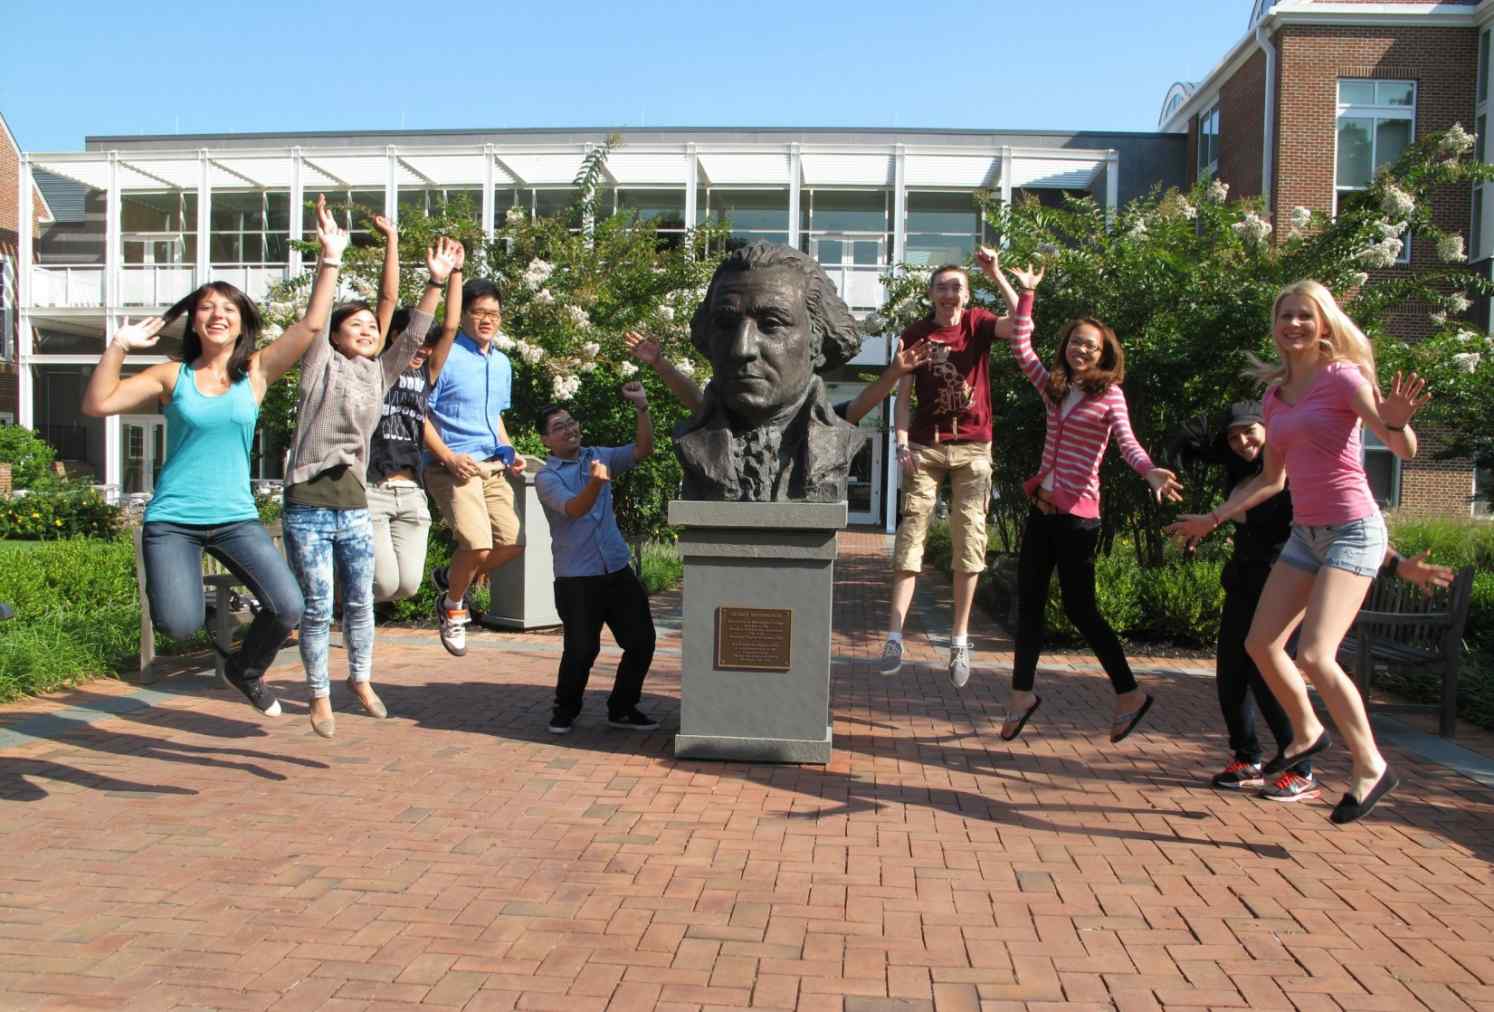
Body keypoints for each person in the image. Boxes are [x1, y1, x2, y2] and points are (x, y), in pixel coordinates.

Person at [78, 199, 359, 716]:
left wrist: (330, 258)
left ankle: (245, 669)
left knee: (288, 605)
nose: (217, 315)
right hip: (173, 521)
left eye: (228, 308)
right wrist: (118, 345)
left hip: (234, 518)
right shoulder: (170, 376)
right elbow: (98, 403)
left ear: (241, 322)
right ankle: (224, 649)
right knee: (180, 623)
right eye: (207, 307)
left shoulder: (254, 373)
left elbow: (311, 327)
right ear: (194, 320)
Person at [1167, 280, 1431, 824]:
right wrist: (1214, 518)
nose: (1294, 325)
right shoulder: (1276, 395)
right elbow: (1271, 478)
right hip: (1305, 535)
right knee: (1261, 643)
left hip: (1354, 530)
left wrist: (1399, 422)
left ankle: (1370, 766)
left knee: (1314, 655)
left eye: (1305, 316)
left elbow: (1402, 446)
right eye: (1285, 316)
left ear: (1325, 324)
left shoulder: (1343, 378)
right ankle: (1308, 732)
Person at [281, 215, 460, 738]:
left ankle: (359, 679)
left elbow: (416, 333)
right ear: (337, 336)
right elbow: (315, 323)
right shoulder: (319, 365)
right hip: (308, 505)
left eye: (370, 327)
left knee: (362, 599)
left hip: (354, 503)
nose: (366, 330)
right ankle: (318, 695)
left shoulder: (380, 373)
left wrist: (434, 281)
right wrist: (330, 259)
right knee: (318, 607)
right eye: (354, 325)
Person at [994, 261, 1183, 743]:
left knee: (1082, 610)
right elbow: (1020, 345)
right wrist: (1026, 292)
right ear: (1067, 347)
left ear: (1104, 355)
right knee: (1030, 605)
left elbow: (1128, 444)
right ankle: (1021, 695)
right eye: (1076, 342)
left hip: (1079, 520)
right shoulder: (1054, 388)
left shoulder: (1110, 396)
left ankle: (1129, 693)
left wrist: (1150, 471)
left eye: (1091, 346)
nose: (1081, 350)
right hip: (1042, 513)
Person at [880, 250, 1029, 688]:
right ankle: (894, 636)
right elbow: (902, 396)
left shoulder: (978, 324)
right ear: (930, 294)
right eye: (942, 286)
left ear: (966, 294)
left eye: (957, 287)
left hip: (973, 448)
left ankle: (959, 638)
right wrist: (901, 442)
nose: (949, 293)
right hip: (925, 448)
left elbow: (1021, 323)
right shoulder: (916, 333)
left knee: (970, 541)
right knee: (911, 537)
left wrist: (997, 274)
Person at [673, 241, 865, 503]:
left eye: (771, 324)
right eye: (726, 324)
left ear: (817, 341)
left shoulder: (839, 443)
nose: (742, 348)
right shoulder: (689, 441)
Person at [534, 382, 660, 735]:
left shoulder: (598, 455)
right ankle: (565, 709)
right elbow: (574, 509)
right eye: (559, 427)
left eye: (571, 422)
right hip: (577, 577)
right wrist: (595, 483)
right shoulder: (547, 477)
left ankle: (622, 708)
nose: (569, 429)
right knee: (582, 649)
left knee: (641, 641)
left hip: (616, 568)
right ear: (546, 441)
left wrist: (642, 408)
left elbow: (643, 449)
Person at [422, 278, 526, 656]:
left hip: (491, 465)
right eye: (479, 312)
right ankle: (453, 608)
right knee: (477, 544)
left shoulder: (501, 363)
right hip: (452, 466)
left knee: (512, 543)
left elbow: (494, 414)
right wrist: (447, 456)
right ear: (463, 314)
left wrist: (508, 447)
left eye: (493, 313)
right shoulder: (445, 355)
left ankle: (451, 578)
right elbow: (416, 413)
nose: (487, 320)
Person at [366, 226, 464, 604]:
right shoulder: (377, 369)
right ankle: (330, 588)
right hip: (372, 487)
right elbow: (387, 299)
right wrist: (392, 240)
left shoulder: (427, 372)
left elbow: (451, 327)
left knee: (407, 587)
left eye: (427, 344)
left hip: (410, 490)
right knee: (384, 584)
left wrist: (456, 271)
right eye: (416, 342)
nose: (421, 349)